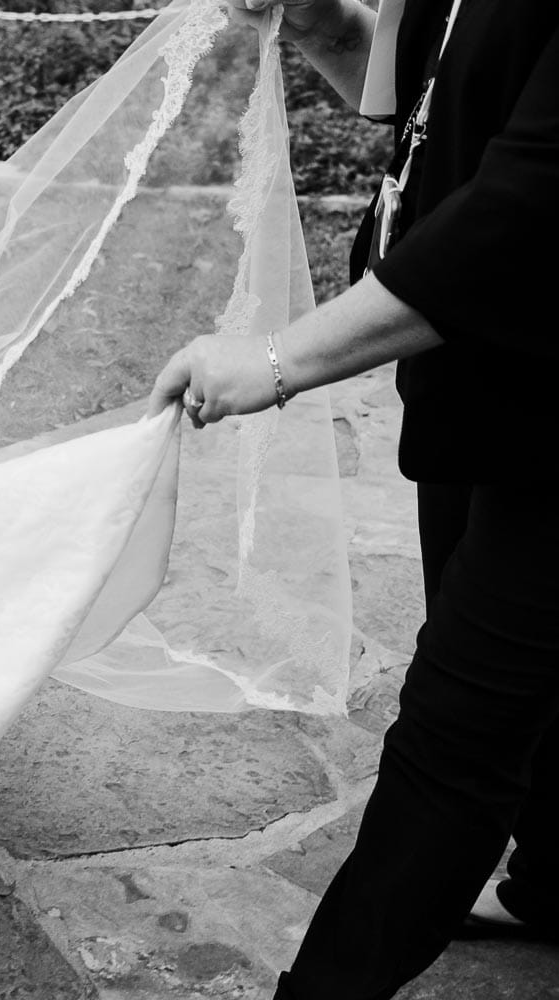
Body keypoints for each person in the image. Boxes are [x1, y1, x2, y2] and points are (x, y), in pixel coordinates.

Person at [149, 0, 559, 996]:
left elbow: (535, 200)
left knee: (454, 738)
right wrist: (318, 23)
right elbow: (432, 110)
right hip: (481, 380)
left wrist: (281, 359)